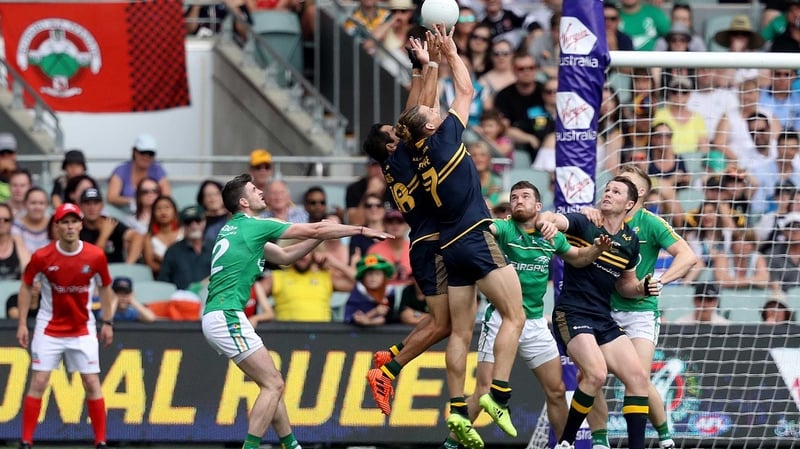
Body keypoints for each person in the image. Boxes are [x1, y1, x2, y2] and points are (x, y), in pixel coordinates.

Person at [395, 24, 524, 444]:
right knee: (514, 315)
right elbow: (466, 91)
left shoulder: (413, 153)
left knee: (461, 332)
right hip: (473, 235)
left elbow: (419, 109)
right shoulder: (447, 137)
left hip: (447, 247)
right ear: (432, 128)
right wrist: (449, 53)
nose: (439, 111)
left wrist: (426, 65)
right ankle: (498, 394)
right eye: (434, 114)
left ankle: (455, 407)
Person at [201, 173, 390, 449]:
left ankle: (292, 445)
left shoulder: (234, 229)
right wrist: (360, 230)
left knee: (270, 384)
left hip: (218, 316)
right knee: (274, 384)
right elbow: (310, 230)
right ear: (243, 201)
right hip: (227, 315)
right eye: (254, 190)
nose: (260, 192)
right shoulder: (254, 225)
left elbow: (286, 257)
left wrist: (319, 237)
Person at [459, 181, 612, 443]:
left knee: (556, 391)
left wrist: (596, 249)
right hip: (501, 319)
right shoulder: (504, 228)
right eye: (514, 197)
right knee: (483, 392)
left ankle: (566, 445)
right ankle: (451, 443)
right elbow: (483, 232)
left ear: (538, 206)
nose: (519, 200)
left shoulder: (550, 235)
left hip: (534, 324)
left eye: (525, 196)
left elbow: (577, 256)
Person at [362, 36, 458, 438]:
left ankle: (391, 358)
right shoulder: (400, 154)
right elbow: (416, 114)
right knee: (443, 324)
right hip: (428, 243)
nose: (399, 130)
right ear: (389, 143)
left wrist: (419, 68)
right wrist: (433, 63)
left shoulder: (393, 159)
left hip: (428, 240)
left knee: (445, 322)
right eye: (393, 132)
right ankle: (388, 370)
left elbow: (408, 115)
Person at [536, 176, 663, 449]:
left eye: (616, 191)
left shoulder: (630, 242)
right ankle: (567, 442)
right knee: (595, 374)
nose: (608, 193)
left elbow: (626, 286)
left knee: (639, 378)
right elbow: (552, 218)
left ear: (629, 204)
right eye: (607, 189)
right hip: (572, 313)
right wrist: (546, 221)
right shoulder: (585, 223)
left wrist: (643, 287)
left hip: (602, 317)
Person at [580, 165, 698, 449]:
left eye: (624, 184)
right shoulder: (599, 217)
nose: (614, 187)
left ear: (639, 194)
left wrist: (660, 279)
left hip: (639, 311)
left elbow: (688, 256)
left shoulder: (651, 223)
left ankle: (665, 437)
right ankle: (599, 441)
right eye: (614, 183)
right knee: (589, 376)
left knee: (638, 378)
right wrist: (584, 211)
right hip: (601, 309)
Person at [16, 202, 115, 449]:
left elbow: (104, 287)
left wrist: (107, 321)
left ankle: (100, 440)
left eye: (74, 221)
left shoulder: (95, 256)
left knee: (91, 383)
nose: (70, 226)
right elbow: (26, 286)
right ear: (57, 226)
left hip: (82, 328)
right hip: (49, 327)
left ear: (81, 225)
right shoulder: (42, 257)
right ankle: (27, 440)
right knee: (39, 381)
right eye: (65, 222)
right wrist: (22, 323)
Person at [107, 134, 171, 211]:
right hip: (125, 215)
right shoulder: (121, 170)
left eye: (151, 153)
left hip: (152, 216)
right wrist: (135, 201)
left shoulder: (158, 170)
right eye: (143, 152)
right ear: (134, 151)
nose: (146, 157)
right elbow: (111, 197)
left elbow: (167, 197)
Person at [80, 188, 141, 264]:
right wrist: (104, 235)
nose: (92, 208)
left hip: (117, 270)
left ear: (102, 206)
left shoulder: (110, 222)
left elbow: (137, 237)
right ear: (81, 206)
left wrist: (128, 265)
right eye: (87, 204)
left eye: (96, 203)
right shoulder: (78, 228)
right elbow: (93, 259)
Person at [158, 205, 213, 290]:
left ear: (204, 222)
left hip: (214, 298)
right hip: (182, 300)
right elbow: (164, 283)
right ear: (182, 225)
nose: (194, 225)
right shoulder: (173, 252)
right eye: (188, 222)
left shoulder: (216, 247)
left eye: (197, 220)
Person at [344, 253, 398, 326]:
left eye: (377, 274)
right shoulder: (357, 292)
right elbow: (350, 318)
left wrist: (369, 321)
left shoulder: (390, 292)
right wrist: (374, 313)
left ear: (384, 277)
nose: (373, 277)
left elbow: (391, 319)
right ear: (363, 277)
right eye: (369, 274)